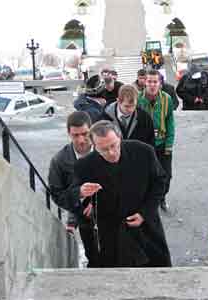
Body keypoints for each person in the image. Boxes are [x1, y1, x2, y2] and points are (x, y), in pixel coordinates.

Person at [70, 120, 171, 267]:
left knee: (157, 272)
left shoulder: (144, 152)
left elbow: (159, 182)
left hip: (146, 228)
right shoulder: (83, 166)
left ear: (120, 138)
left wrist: (145, 213)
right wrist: (82, 195)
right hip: (111, 234)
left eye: (114, 146)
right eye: (104, 149)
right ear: (94, 146)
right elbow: (73, 196)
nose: (111, 153)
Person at [48, 111, 99, 267]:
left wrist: (97, 204)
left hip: (114, 215)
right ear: (68, 134)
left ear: (91, 130)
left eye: (85, 134)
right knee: (95, 258)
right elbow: (57, 195)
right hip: (85, 220)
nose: (81, 140)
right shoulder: (59, 161)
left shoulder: (104, 148)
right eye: (75, 135)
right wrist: (79, 194)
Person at [138, 69, 175, 211]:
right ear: (144, 83)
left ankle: (161, 197)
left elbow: (170, 121)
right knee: (146, 175)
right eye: (149, 81)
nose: (152, 85)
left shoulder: (167, 99)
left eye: (155, 82)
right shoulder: (139, 100)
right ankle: (148, 201)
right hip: (145, 144)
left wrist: (169, 143)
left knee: (166, 175)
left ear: (160, 83)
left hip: (162, 143)